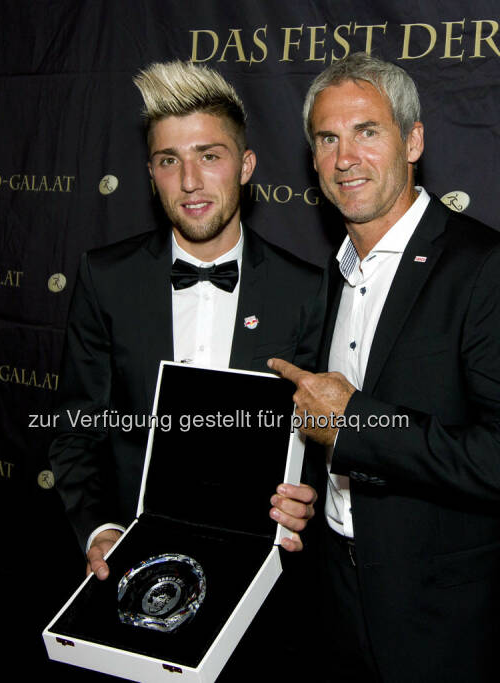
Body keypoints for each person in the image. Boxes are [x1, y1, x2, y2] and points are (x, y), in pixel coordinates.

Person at [268, 53, 500, 682]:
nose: (345, 158)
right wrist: (307, 495)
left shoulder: (487, 267)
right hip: (335, 599)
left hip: (444, 622)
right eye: (327, 138)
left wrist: (357, 424)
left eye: (367, 132)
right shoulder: (332, 275)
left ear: (414, 140)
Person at [49, 59, 320, 643]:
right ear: (151, 174)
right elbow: (76, 425)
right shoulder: (105, 278)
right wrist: (97, 528)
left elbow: (320, 440)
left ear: (245, 166)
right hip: (129, 565)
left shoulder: (306, 290)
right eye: (170, 160)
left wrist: (310, 498)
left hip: (261, 586)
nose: (190, 180)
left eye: (210, 155)